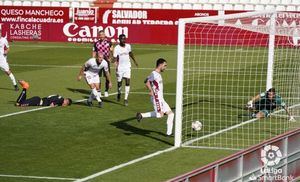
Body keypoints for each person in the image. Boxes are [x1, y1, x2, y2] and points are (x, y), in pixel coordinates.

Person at [136, 58, 174, 136]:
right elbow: (146, 82)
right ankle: (141, 115)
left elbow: (146, 80)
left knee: (171, 114)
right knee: (160, 115)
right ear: (160, 65)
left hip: (161, 98)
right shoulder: (154, 73)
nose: (165, 67)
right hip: (156, 98)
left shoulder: (156, 74)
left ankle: (169, 133)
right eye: (165, 65)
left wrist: (151, 87)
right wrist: (151, 90)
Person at [113, 34, 138, 106]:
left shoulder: (128, 46)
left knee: (127, 81)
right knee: (119, 83)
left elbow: (130, 53)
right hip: (120, 67)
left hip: (127, 67)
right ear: (119, 39)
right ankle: (119, 93)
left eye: (124, 39)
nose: (123, 40)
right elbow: (115, 58)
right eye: (122, 39)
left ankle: (125, 99)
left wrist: (135, 61)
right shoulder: (116, 48)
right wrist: (112, 60)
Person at [92, 30, 113, 97]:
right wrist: (93, 59)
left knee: (107, 76)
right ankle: (99, 91)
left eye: (102, 34)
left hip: (106, 61)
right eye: (100, 35)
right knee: (97, 77)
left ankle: (106, 91)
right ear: (99, 36)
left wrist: (111, 57)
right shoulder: (96, 43)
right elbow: (94, 51)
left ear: (105, 35)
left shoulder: (109, 42)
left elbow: (112, 50)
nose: (101, 36)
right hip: (98, 62)